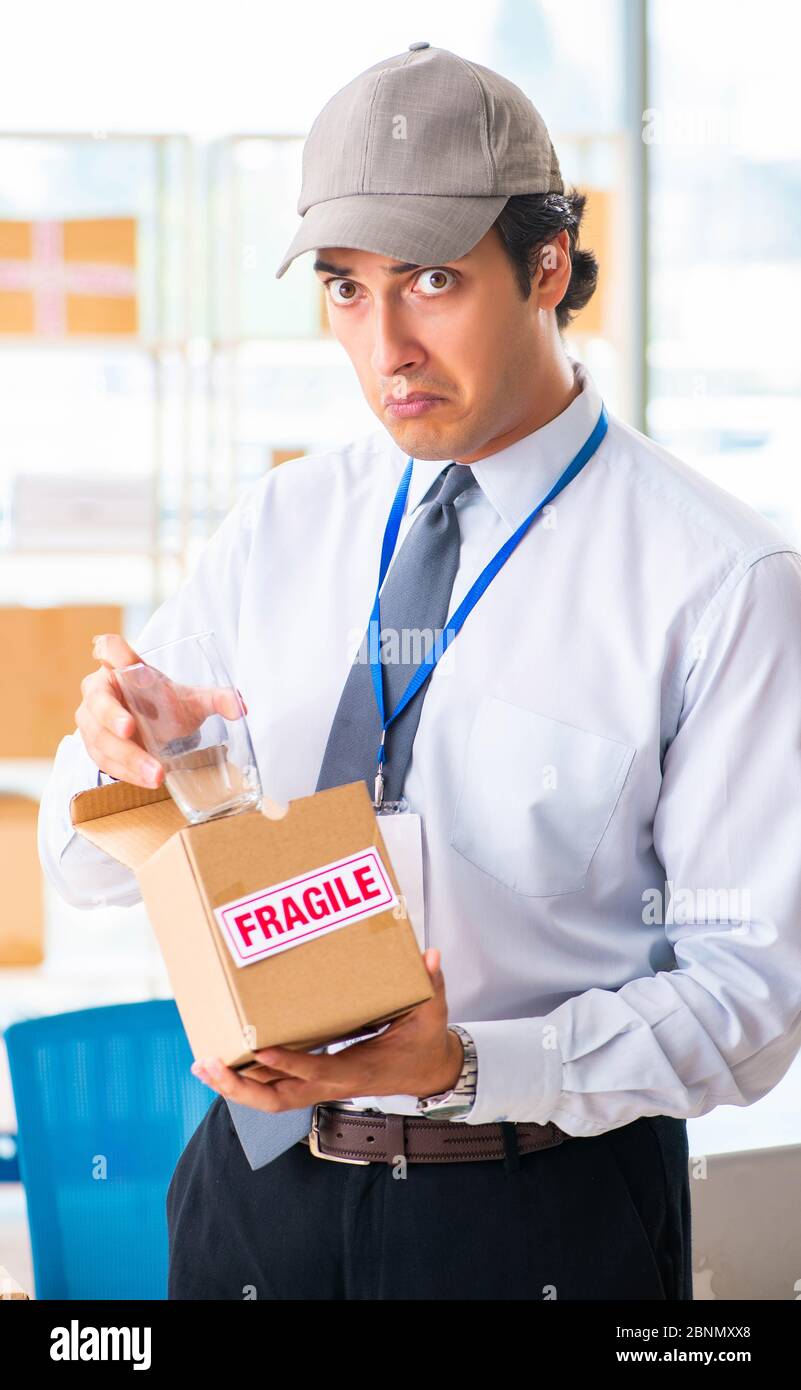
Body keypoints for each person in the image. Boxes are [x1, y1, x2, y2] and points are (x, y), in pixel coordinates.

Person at [38, 42, 801, 1302]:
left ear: (547, 265)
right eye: (345, 289)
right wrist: (136, 762)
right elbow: (80, 869)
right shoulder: (281, 526)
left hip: (533, 1213)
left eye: (432, 281)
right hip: (249, 1193)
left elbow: (753, 1001)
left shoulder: (720, 584)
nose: (384, 344)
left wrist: (463, 1065)